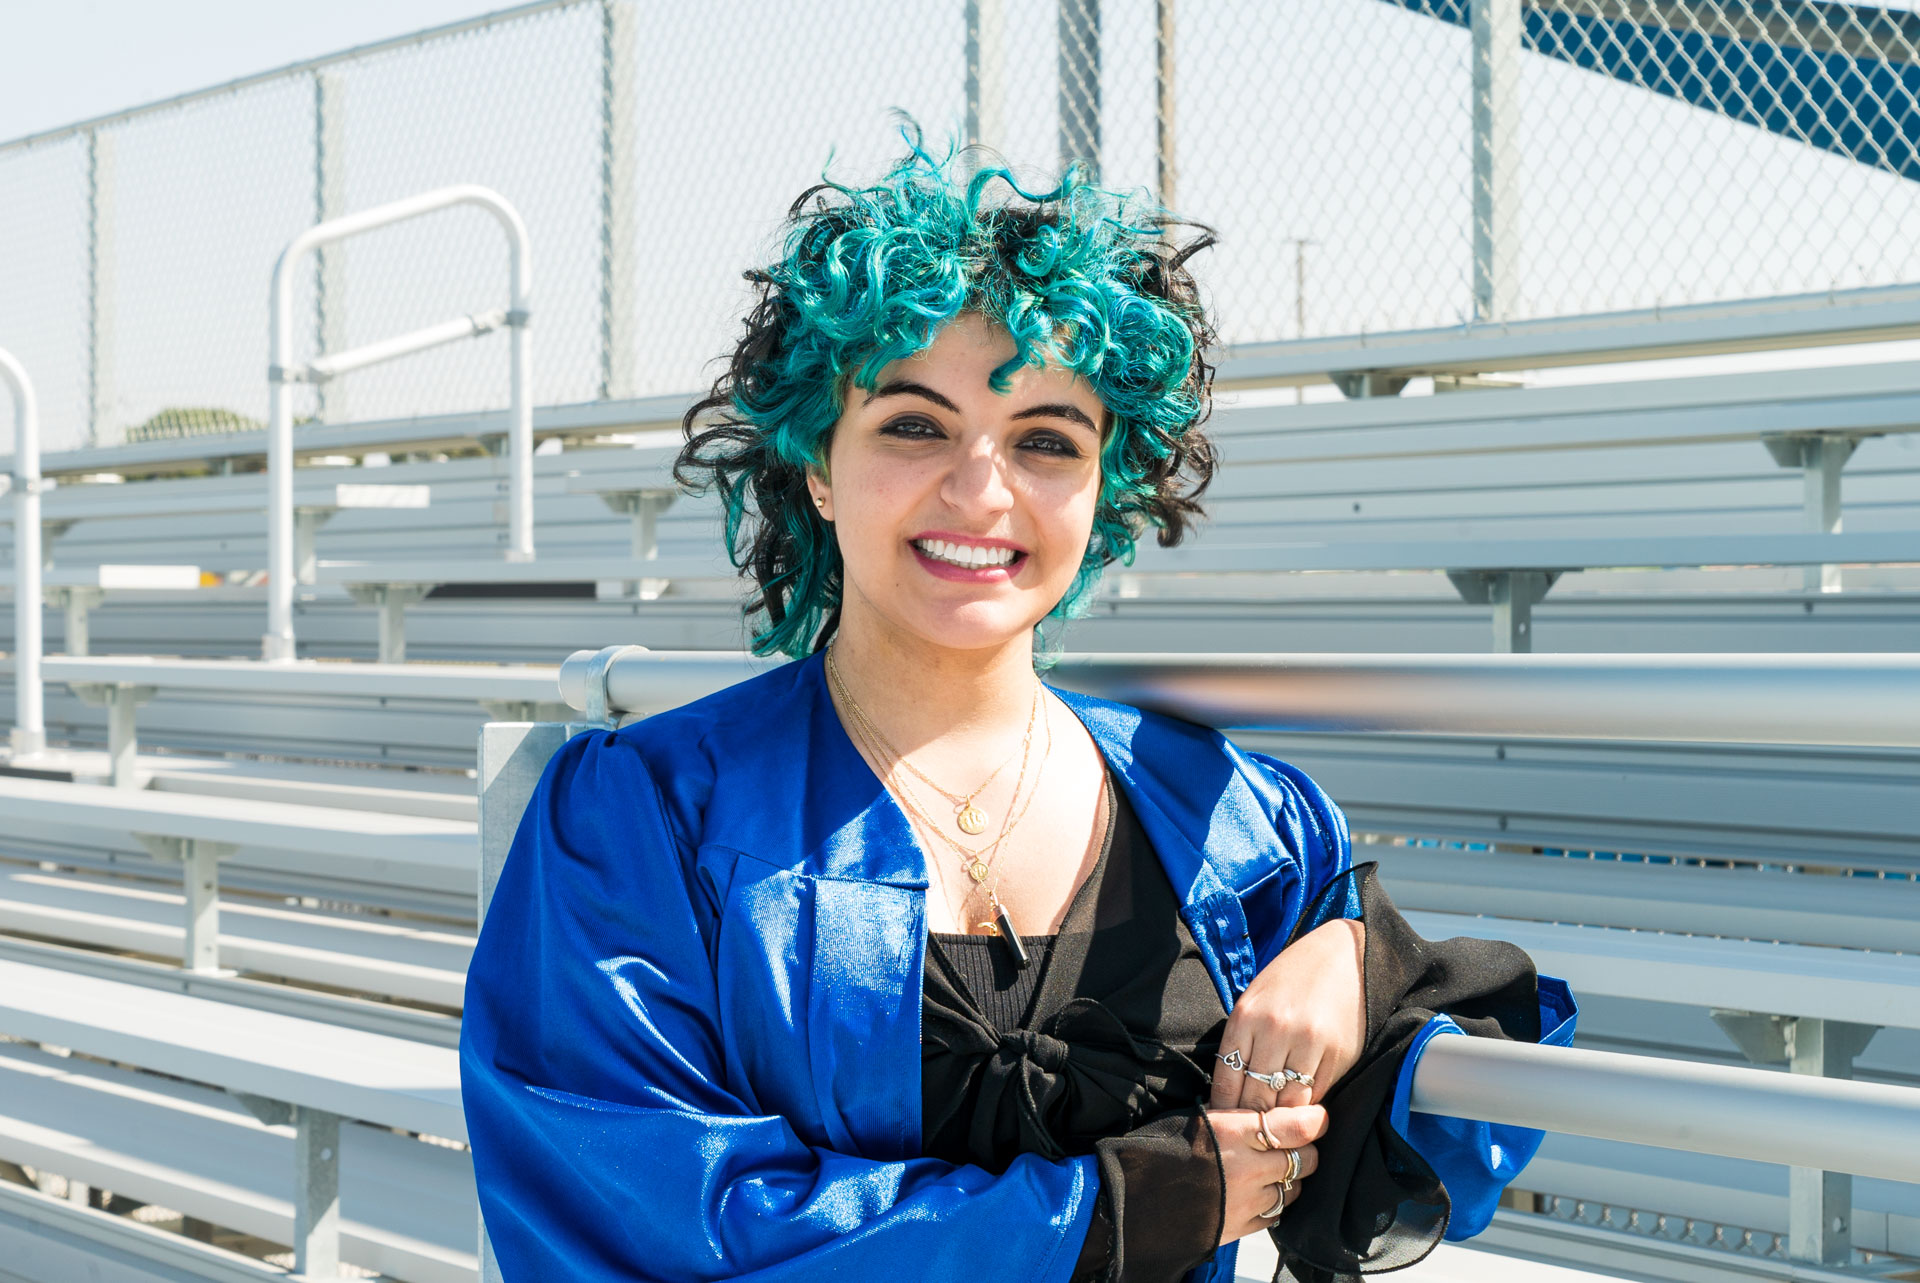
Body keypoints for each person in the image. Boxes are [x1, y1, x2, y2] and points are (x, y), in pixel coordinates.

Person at [460, 134, 1576, 1283]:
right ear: (817, 466)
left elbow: (1462, 1127)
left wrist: (1359, 961)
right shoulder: (649, 816)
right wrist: (1124, 1208)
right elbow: (647, 1213)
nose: (982, 488)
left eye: (1046, 439)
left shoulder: (1233, 817)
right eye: (912, 423)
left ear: (1103, 489)